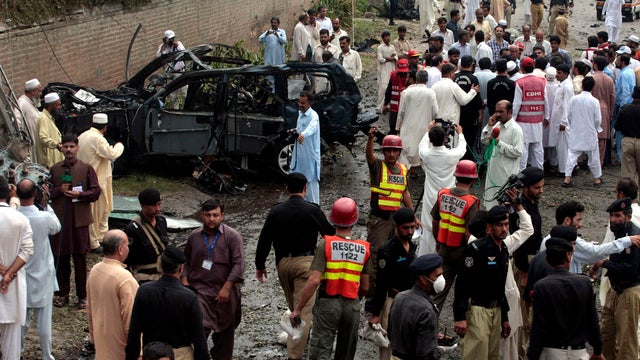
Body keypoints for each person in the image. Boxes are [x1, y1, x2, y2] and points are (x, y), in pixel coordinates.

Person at [255, 172, 334, 360]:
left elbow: (264, 240)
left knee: (294, 305)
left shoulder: (276, 211)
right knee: (302, 312)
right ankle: (294, 355)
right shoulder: (312, 210)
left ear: (286, 189)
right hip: (305, 264)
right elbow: (329, 235)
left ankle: (299, 339)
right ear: (305, 189)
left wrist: (260, 265)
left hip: (283, 264)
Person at [289, 197, 371, 360]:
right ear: (354, 221)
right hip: (352, 306)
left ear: (332, 220)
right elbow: (366, 287)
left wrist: (298, 309)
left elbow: (313, 281)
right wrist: (356, 297)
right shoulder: (364, 248)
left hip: (328, 304)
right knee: (346, 352)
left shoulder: (326, 243)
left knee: (321, 350)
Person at [183, 199, 244, 360]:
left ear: (222, 216)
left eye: (215, 215)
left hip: (225, 292)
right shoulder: (194, 236)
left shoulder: (232, 237)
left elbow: (239, 264)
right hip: (200, 291)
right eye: (208, 215)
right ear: (202, 215)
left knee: (225, 335)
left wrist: (227, 287)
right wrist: (184, 281)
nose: (212, 219)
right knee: (199, 328)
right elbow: (186, 261)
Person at [126, 245, 208, 360]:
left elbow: (134, 331)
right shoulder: (190, 297)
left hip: (151, 354)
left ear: (160, 265)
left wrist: (131, 356)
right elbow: (199, 340)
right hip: (181, 355)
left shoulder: (144, 291)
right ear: (181, 269)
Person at [527, 238, 604, 360]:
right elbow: (592, 321)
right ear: (568, 257)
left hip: (551, 353)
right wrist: (598, 350)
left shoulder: (542, 286)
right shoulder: (584, 283)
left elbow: (539, 328)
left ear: (547, 259)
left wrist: (533, 355)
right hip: (578, 353)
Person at [48, 134, 100, 309]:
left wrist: (80, 195)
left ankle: (82, 296)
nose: (68, 150)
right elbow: (46, 194)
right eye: (65, 147)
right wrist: (58, 190)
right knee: (61, 258)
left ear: (77, 148)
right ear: (61, 148)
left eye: (72, 146)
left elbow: (95, 192)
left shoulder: (86, 169)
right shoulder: (54, 169)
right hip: (61, 221)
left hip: (79, 221)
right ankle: (62, 294)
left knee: (80, 259)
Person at [453, 205, 511, 359]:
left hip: (496, 310)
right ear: (489, 227)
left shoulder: (503, 249)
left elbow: (500, 285)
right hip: (478, 310)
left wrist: (504, 318)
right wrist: (459, 316)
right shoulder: (476, 249)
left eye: (506, 224)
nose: (504, 229)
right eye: (499, 225)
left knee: (492, 355)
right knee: (476, 355)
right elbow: (462, 283)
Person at [366, 127, 414, 301]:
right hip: (379, 220)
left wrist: (412, 215)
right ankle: (372, 296)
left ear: (399, 152)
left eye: (395, 151)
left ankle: (389, 292)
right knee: (375, 257)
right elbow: (369, 157)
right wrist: (370, 138)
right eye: (388, 150)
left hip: (396, 221)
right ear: (384, 151)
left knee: (396, 256)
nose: (391, 154)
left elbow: (405, 193)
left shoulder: (402, 169)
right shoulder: (378, 166)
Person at [366, 207, 418, 360]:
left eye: (412, 227)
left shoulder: (412, 247)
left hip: (410, 301)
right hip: (392, 302)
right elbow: (381, 283)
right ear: (396, 227)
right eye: (406, 228)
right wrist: (376, 313)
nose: (409, 231)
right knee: (389, 346)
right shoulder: (387, 251)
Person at [17, 178, 60, 360]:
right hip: (43, 273)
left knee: (21, 320)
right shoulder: (45, 217)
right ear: (36, 194)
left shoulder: (14, 216)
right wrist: (47, 204)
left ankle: (16, 352)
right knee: (44, 321)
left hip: (19, 271)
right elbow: (56, 228)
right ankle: (46, 355)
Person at [593, 198, 640, 360]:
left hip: (629, 291)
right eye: (612, 216)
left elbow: (630, 271)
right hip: (615, 290)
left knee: (626, 342)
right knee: (606, 336)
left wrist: (605, 263)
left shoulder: (635, 237)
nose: (613, 219)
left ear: (628, 216)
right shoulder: (619, 232)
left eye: (618, 216)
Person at [431, 160, 480, 312]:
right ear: (473, 180)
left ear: (456, 177)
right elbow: (469, 233)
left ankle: (428, 324)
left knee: (438, 292)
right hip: (462, 253)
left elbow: (435, 221)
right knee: (467, 291)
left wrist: (438, 242)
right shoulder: (471, 202)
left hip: (443, 249)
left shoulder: (442, 194)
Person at [87, 229, 139, 360]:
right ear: (120, 249)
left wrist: (93, 336)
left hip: (101, 343)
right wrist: (138, 352)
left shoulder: (95, 270)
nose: (129, 248)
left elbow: (90, 309)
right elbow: (130, 319)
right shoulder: (124, 278)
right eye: (127, 245)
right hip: (120, 349)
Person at [77, 113, 124, 254]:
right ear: (105, 127)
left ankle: (102, 237)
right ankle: (94, 243)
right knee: (95, 212)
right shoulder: (98, 139)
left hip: (91, 179)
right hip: (96, 181)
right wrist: (119, 146)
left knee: (104, 210)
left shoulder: (83, 136)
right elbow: (112, 154)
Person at [418, 123, 467, 256]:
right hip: (448, 198)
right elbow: (462, 148)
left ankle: (425, 256)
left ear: (431, 139)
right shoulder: (452, 156)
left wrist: (428, 129)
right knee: (447, 224)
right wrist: (460, 133)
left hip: (430, 197)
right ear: (445, 139)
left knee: (428, 225)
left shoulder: (426, 155)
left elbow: (421, 145)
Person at [0, 176, 33, 360]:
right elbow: (28, 250)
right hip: (12, 285)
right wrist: (9, 274)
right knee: (11, 344)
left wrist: (3, 271)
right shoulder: (20, 219)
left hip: (9, 279)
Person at [387, 254, 444, 360]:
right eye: (437, 276)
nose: (441, 280)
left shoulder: (399, 297)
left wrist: (432, 336)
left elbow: (392, 332)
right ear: (423, 279)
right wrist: (440, 350)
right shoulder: (426, 310)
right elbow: (426, 354)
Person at [481, 100, 524, 209]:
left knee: (503, 206)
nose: (498, 115)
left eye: (501, 112)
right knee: (490, 204)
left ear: (510, 112)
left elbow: (518, 152)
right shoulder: (496, 126)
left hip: (506, 175)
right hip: (493, 171)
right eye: (496, 112)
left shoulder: (516, 129)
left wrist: (499, 143)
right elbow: (484, 141)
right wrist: (489, 126)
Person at [562, 77, 603, 187]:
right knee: (593, 156)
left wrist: (572, 125)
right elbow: (598, 119)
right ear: (592, 87)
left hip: (576, 131)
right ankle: (597, 179)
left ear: (582, 85)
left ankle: (567, 178)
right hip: (590, 131)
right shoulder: (594, 101)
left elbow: (569, 115)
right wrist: (596, 127)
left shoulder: (574, 99)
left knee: (572, 155)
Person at [396, 70, 438, 169]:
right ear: (427, 80)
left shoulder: (406, 92)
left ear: (416, 79)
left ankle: (405, 177)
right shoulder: (431, 93)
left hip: (407, 128)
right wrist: (433, 123)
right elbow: (436, 111)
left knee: (406, 155)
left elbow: (401, 113)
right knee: (423, 151)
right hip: (424, 128)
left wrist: (398, 127)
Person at [124, 188, 168, 283]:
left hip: (163, 275)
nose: (157, 209)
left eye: (159, 204)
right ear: (142, 205)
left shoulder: (161, 221)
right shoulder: (133, 229)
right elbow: (126, 259)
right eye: (153, 205)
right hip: (144, 279)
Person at [513, 56, 549, 171]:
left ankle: (521, 175)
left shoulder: (520, 82)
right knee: (538, 149)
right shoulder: (542, 82)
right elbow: (546, 100)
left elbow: (516, 104)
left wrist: (512, 120)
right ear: (533, 67)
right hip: (537, 120)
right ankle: (539, 174)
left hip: (522, 121)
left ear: (521, 68)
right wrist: (547, 116)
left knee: (523, 149)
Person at [290, 91, 320, 204]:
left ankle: (314, 210)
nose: (300, 105)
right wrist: (294, 131)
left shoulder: (314, 116)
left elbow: (312, 127)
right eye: (299, 102)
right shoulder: (300, 114)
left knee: (310, 186)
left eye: (303, 103)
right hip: (299, 156)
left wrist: (304, 134)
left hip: (309, 157)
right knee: (297, 183)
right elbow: (300, 128)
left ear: (310, 103)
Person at [454, 55, 484, 159]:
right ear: (471, 65)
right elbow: (476, 97)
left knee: (458, 138)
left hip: (458, 113)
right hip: (471, 115)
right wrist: (480, 113)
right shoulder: (473, 78)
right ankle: (467, 160)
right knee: (469, 139)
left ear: (461, 65)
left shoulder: (455, 77)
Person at [592, 56, 616, 166]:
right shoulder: (609, 79)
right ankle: (600, 161)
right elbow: (612, 97)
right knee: (602, 138)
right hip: (605, 109)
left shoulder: (592, 78)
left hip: (593, 109)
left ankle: (592, 161)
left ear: (595, 65)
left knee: (593, 136)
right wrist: (611, 112)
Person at [617, 86, 640, 186]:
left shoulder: (625, 108)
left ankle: (630, 198)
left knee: (628, 174)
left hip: (627, 140)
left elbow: (617, 126)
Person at [36, 92, 63, 168]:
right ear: (50, 106)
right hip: (49, 164)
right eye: (57, 105)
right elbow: (43, 137)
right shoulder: (43, 118)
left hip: (55, 163)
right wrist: (56, 145)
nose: (59, 107)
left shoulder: (49, 118)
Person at [383, 58, 410, 135]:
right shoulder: (393, 76)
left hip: (405, 107)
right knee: (392, 126)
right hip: (394, 108)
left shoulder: (410, 77)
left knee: (404, 126)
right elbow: (389, 90)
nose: (403, 74)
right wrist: (385, 104)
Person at [18, 78, 42, 161]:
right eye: (39, 91)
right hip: (29, 145)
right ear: (32, 92)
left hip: (36, 143)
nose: (40, 94)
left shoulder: (31, 102)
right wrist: (23, 140)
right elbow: (16, 120)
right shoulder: (22, 102)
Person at [377, 31, 397, 113]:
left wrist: (387, 58)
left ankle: (388, 105)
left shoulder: (392, 47)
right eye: (386, 36)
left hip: (392, 68)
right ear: (383, 38)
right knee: (383, 87)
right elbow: (381, 59)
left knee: (391, 86)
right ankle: (380, 106)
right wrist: (390, 58)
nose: (388, 38)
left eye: (389, 36)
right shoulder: (380, 48)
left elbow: (396, 57)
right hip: (383, 69)